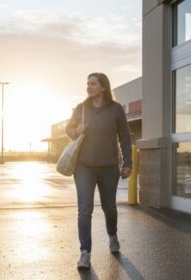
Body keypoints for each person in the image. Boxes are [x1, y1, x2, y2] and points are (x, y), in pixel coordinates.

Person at [65, 72, 132, 269]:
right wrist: (76, 131)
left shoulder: (116, 109)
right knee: (84, 210)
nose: (88, 86)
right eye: (87, 83)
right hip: (83, 166)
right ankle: (85, 252)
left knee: (109, 207)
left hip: (109, 167)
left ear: (103, 87)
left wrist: (127, 163)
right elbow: (68, 129)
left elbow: (125, 138)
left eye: (93, 83)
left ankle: (112, 235)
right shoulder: (81, 108)